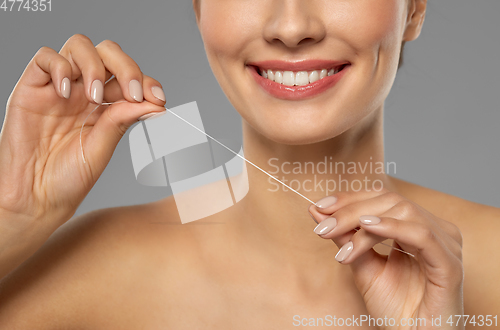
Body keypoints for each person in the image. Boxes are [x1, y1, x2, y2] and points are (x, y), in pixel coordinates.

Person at [0, 0, 499, 328]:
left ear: (412, 10)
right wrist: (12, 216)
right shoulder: (92, 277)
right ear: (198, 9)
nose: (292, 27)